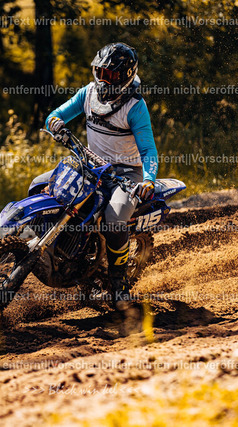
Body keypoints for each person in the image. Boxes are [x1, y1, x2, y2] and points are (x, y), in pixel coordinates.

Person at [32, 42, 158, 310]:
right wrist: (56, 123)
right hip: (90, 165)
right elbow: (55, 115)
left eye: (110, 75)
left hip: (126, 174)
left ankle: (119, 283)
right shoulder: (88, 93)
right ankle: (54, 246)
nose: (103, 80)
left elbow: (148, 151)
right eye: (100, 72)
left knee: (114, 220)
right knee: (38, 184)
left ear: (125, 76)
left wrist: (148, 180)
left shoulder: (135, 107)